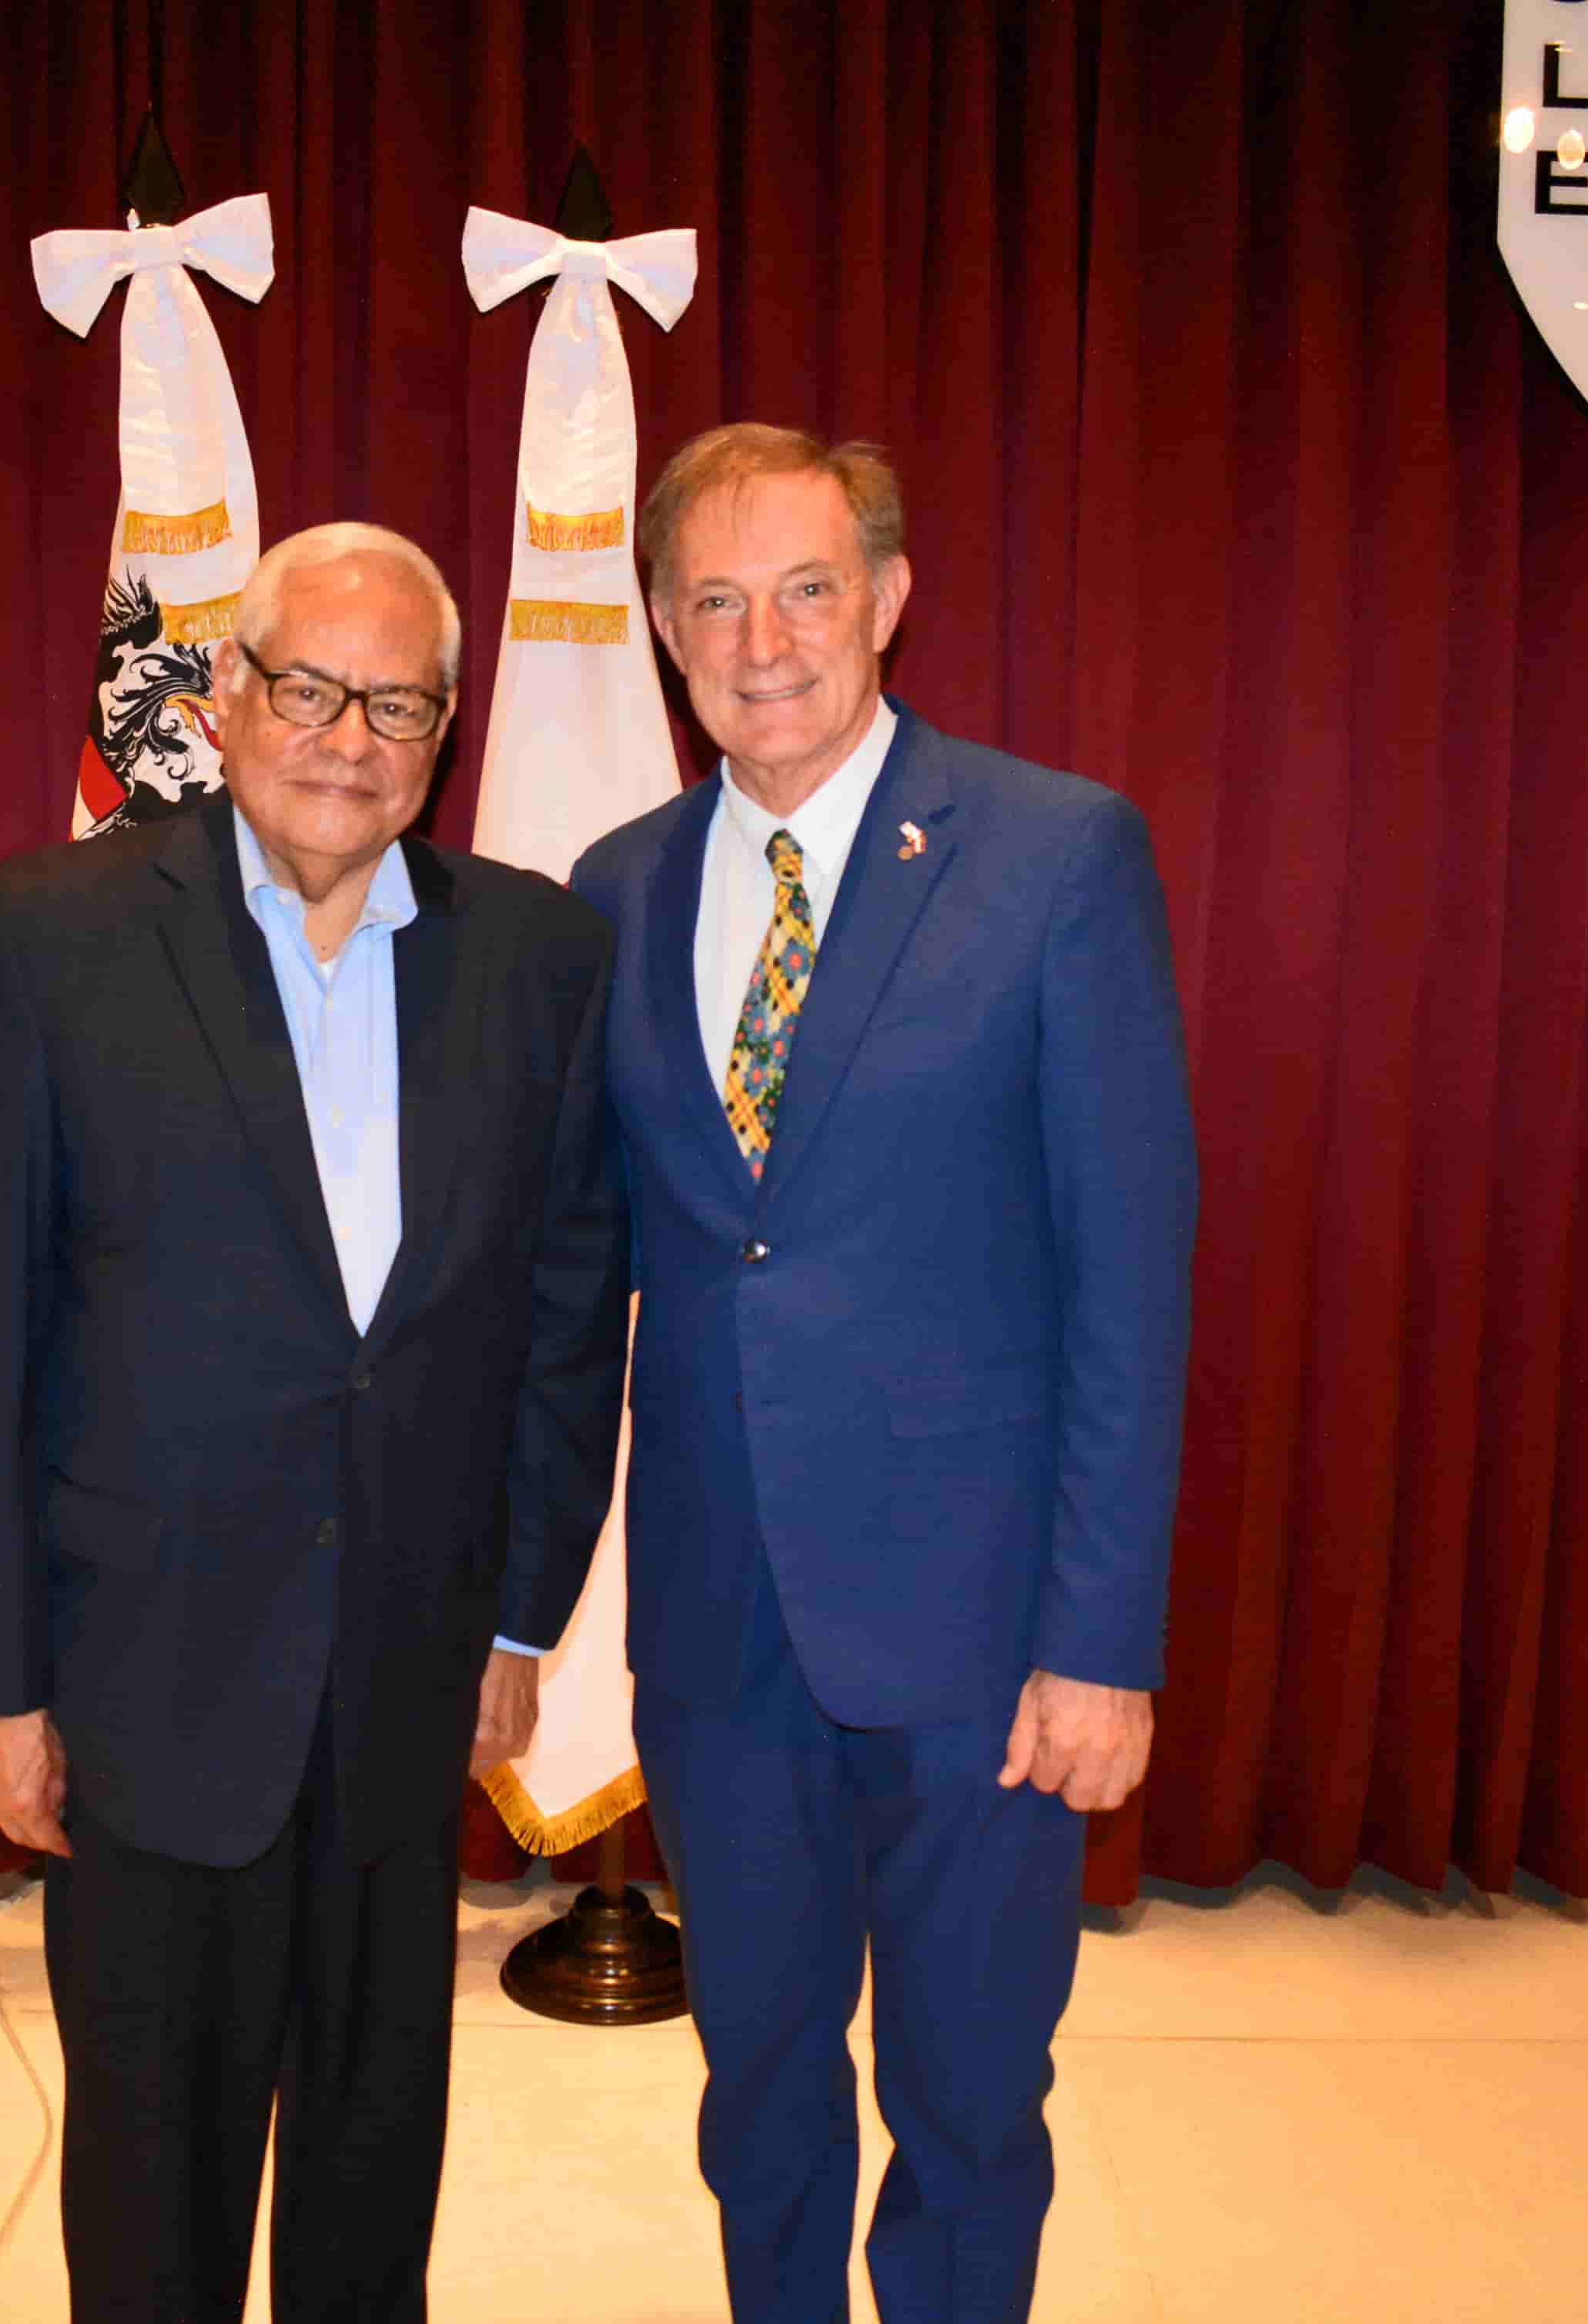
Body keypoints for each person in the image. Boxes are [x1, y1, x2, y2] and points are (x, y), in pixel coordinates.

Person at [0, 521, 629, 2324]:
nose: (345, 739)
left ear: (446, 728)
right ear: (224, 695)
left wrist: (518, 1621)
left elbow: (563, 1320)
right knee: (152, 2180)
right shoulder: (45, 935)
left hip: (409, 1670)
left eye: (396, 704)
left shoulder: (538, 955)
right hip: (142, 1673)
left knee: (374, 2164)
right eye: (307, 688)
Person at [569, 427, 1197, 2324]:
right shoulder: (614, 887)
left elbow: (1128, 1279)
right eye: (714, 600)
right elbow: (577, 1276)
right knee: (756, 2096)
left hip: (982, 1648)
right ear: (663, 629)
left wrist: (1100, 1643)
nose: (761, 642)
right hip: (718, 1639)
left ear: (889, 600)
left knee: (968, 2105)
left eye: (805, 590)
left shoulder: (1054, 853)